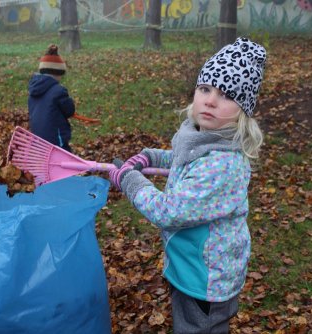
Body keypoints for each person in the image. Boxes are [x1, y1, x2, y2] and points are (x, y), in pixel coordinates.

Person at [109, 37, 266, 333]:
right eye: (205, 89)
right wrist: (151, 157)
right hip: (192, 266)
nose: (210, 100)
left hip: (205, 280)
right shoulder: (206, 139)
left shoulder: (223, 165)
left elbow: (169, 212)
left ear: (242, 110)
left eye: (226, 95)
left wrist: (130, 181)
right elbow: (186, 160)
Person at [28, 44, 75, 152]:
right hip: (55, 141)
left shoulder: (32, 91)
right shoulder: (59, 91)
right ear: (57, 73)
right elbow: (69, 111)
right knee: (66, 156)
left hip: (38, 140)